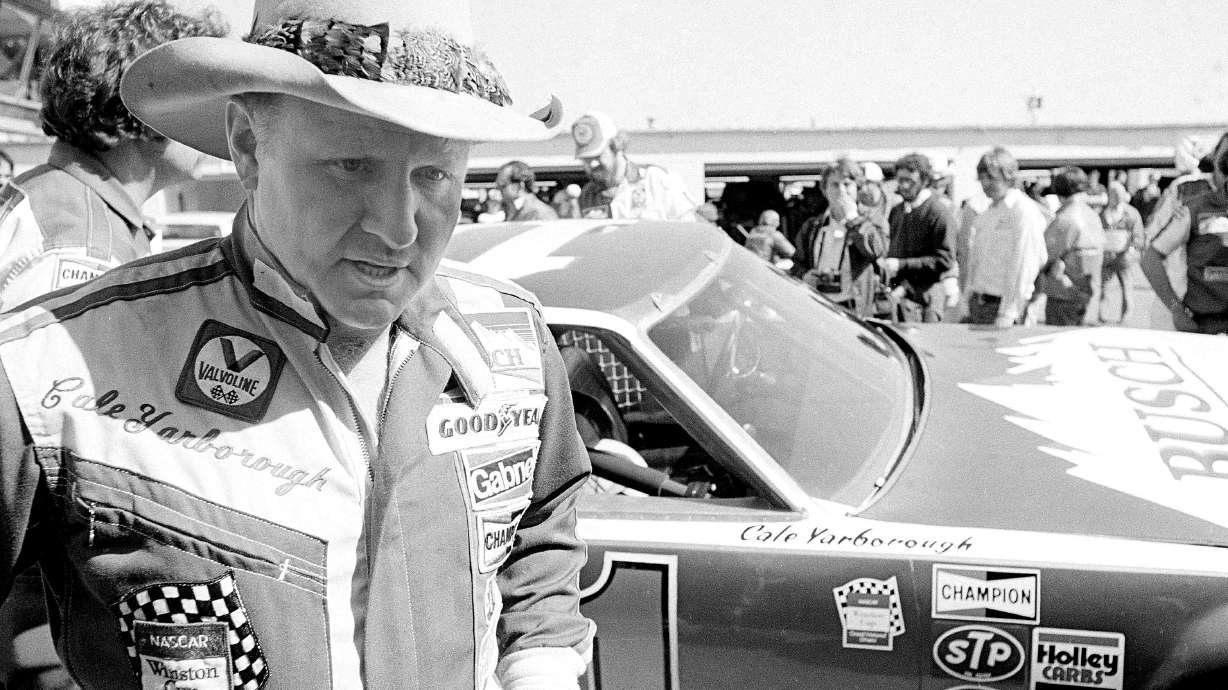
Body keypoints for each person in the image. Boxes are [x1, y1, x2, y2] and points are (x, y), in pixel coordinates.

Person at [0, 2, 595, 689]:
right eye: (351, 165)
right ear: (248, 149)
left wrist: (540, 665)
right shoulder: (48, 364)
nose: (399, 229)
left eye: (433, 175)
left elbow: (542, 527)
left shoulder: (512, 345)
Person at [0, 1, 226, 313]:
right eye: (205, 101)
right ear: (151, 112)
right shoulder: (87, 250)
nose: (219, 121)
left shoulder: (51, 198)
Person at [1141, 134, 1228, 334]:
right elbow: (1150, 247)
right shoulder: (1185, 189)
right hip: (1185, 307)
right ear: (1215, 156)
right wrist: (1174, 307)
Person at [962, 147, 1049, 327]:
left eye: (992, 178)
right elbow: (976, 261)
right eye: (982, 178)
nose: (985, 184)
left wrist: (1010, 311)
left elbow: (1026, 263)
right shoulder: (988, 212)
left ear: (1009, 177)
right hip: (979, 304)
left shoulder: (1022, 211)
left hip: (1002, 307)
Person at [790, 158, 887, 317]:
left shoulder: (872, 220)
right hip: (819, 306)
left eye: (847, 184)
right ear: (824, 190)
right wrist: (804, 276)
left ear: (858, 189)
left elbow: (876, 250)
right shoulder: (813, 226)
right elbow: (797, 264)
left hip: (855, 310)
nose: (841, 191)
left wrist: (852, 218)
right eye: (835, 185)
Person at [571, 111, 698, 221]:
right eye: (586, 159)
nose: (593, 164)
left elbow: (690, 230)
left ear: (616, 147)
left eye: (598, 156)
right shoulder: (588, 195)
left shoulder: (655, 180)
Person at [882, 152, 956, 322]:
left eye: (911, 181)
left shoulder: (938, 212)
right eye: (901, 180)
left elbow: (944, 260)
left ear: (924, 181)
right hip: (900, 296)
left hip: (927, 297)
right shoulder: (897, 211)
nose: (905, 186)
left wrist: (901, 265)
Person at [1037, 166, 1105, 326]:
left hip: (1064, 296)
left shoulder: (1065, 219)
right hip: (1089, 295)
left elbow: (1042, 255)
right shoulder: (1093, 215)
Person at [1099, 180, 1145, 323]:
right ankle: (1100, 315)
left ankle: (1126, 317)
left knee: (1126, 286)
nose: (1117, 197)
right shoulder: (1102, 214)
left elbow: (1139, 235)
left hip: (1124, 256)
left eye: (1119, 194)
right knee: (1101, 286)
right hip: (1106, 256)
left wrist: (1132, 248)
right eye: (1113, 194)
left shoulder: (1131, 213)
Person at [495, 160, 559, 221]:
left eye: (503, 185)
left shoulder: (538, 212)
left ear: (520, 185)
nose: (499, 189)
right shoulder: (513, 210)